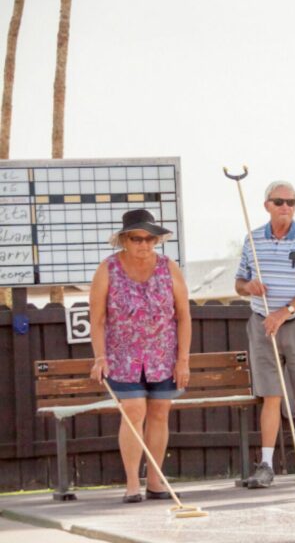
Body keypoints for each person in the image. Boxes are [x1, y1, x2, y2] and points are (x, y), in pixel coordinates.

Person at [235, 180, 295, 487]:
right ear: (267, 205)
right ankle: (265, 465)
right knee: (271, 396)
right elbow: (239, 282)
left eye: (292, 202)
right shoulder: (253, 240)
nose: (286, 207)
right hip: (263, 323)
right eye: (279, 202)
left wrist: (285, 311)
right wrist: (248, 287)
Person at [89, 209, 191, 503]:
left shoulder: (168, 267)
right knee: (133, 410)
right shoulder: (107, 269)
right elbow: (96, 319)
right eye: (137, 238)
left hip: (163, 354)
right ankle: (132, 483)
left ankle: (156, 481)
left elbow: (184, 316)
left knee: (160, 413)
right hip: (123, 356)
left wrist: (183, 359)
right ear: (124, 239)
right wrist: (100, 357)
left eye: (150, 238)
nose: (144, 244)